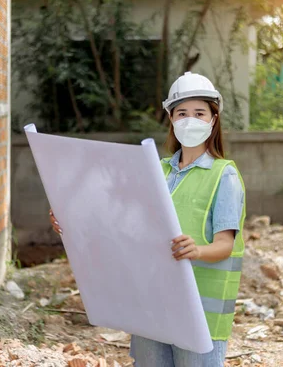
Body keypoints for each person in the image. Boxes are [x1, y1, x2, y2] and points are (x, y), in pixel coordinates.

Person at [49, 72, 246, 367]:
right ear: (171, 119)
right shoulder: (157, 171)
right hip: (152, 303)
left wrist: (198, 251)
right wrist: (71, 218)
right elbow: (119, 221)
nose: (190, 119)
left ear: (213, 119)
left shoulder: (224, 175)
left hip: (200, 313)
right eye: (182, 113)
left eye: (199, 112)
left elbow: (225, 244)